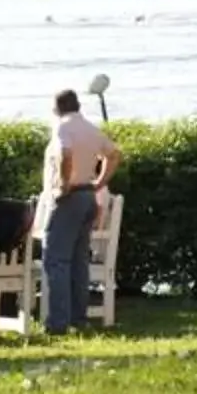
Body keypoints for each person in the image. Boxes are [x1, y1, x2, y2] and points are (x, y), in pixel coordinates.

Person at [39, 88, 119, 334]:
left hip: (69, 196)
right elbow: (114, 154)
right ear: (78, 106)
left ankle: (58, 323)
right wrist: (101, 182)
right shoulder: (90, 129)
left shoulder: (63, 127)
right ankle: (79, 318)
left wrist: (63, 184)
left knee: (56, 260)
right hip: (87, 195)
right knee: (79, 261)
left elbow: (65, 153)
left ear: (57, 108)